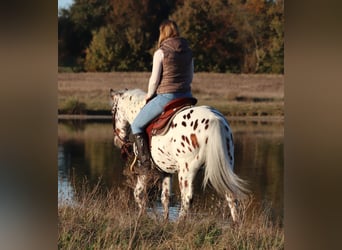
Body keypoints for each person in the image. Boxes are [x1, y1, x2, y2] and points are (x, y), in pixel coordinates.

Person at [131, 19, 194, 173]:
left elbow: (154, 79)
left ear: (162, 33)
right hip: (186, 96)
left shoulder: (161, 52)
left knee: (136, 125)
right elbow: (191, 76)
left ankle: (145, 164)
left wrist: (149, 95)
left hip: (167, 96)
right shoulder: (188, 51)